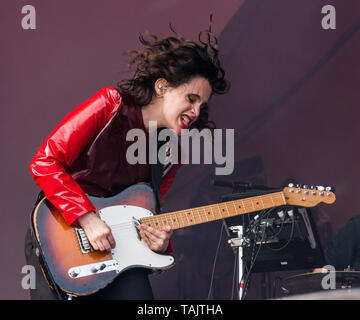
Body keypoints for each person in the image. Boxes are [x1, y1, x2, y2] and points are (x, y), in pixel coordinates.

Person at [24, 24, 230, 300]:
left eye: (201, 106)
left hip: (119, 256)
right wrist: (87, 217)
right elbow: (45, 161)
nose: (195, 112)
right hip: (61, 241)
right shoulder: (110, 105)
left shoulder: (171, 153)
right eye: (191, 99)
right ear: (162, 86)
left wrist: (159, 243)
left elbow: (149, 214)